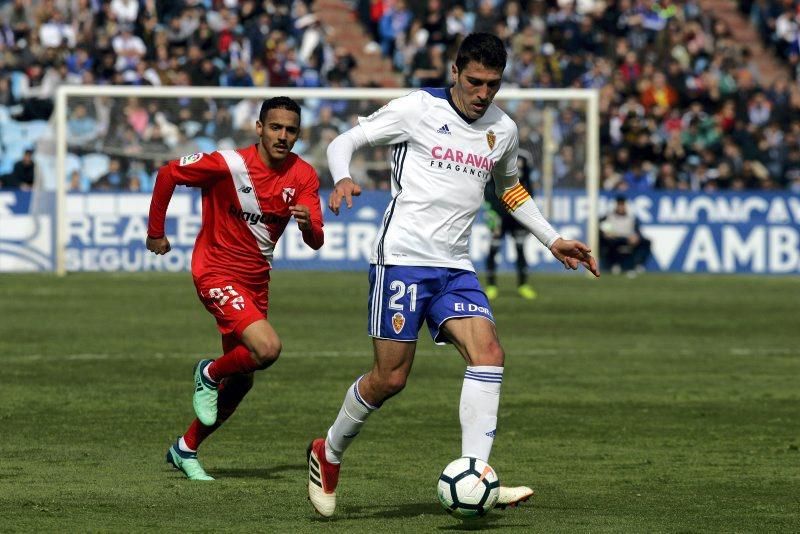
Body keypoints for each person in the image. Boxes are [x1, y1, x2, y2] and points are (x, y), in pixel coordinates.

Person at [307, 32, 599, 517]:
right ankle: (329, 450)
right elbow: (346, 140)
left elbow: (510, 190)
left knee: (489, 353)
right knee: (391, 378)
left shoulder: (502, 130)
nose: (483, 93)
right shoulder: (418, 109)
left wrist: (552, 239)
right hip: (401, 259)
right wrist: (342, 176)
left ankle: (474, 477)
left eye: (493, 85)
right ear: (455, 73)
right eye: (476, 82)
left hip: (455, 267)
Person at [146, 96, 324, 481]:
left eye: (291, 130)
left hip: (256, 282)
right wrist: (155, 233)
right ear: (258, 128)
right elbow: (167, 174)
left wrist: (309, 223)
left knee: (242, 381)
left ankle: (186, 448)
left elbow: (316, 241)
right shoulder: (229, 164)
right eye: (275, 127)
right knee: (268, 348)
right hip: (215, 271)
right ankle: (208, 371)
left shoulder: (304, 176)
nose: (282, 136)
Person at [484, 149, 537, 300]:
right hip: (498, 211)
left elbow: (528, 184)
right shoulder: (495, 154)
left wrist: (528, 208)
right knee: (494, 248)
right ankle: (491, 286)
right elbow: (487, 185)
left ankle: (523, 285)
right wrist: (490, 210)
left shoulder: (525, 156)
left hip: (517, 210)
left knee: (520, 247)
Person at [599, 195, 651, 275]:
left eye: (622, 205)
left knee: (646, 242)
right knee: (606, 242)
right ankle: (611, 265)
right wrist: (608, 234)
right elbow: (605, 231)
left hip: (627, 239)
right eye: (619, 205)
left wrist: (636, 237)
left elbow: (637, 232)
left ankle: (637, 265)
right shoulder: (609, 216)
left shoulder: (631, 217)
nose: (621, 207)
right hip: (614, 239)